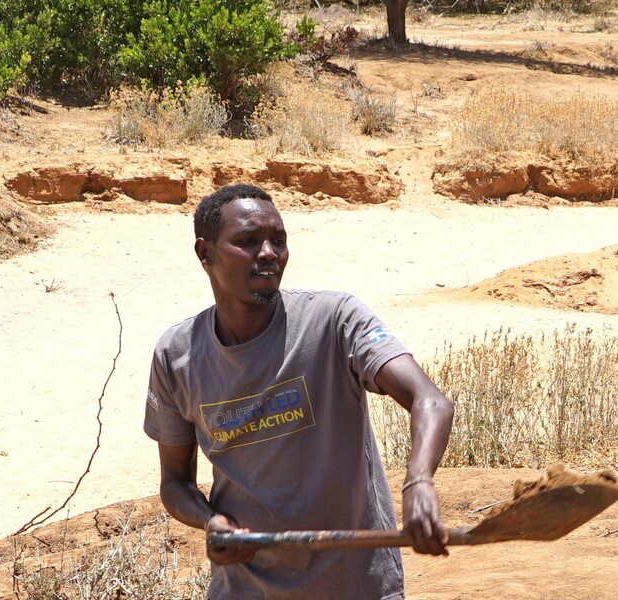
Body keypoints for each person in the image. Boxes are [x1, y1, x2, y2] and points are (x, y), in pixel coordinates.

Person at [145, 183, 455, 599]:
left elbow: (429, 400)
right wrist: (210, 521)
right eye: (248, 241)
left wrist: (418, 481)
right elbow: (175, 484)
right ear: (205, 253)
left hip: (355, 587)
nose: (268, 253)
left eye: (278, 240)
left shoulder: (335, 320)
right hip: (244, 590)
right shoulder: (177, 355)